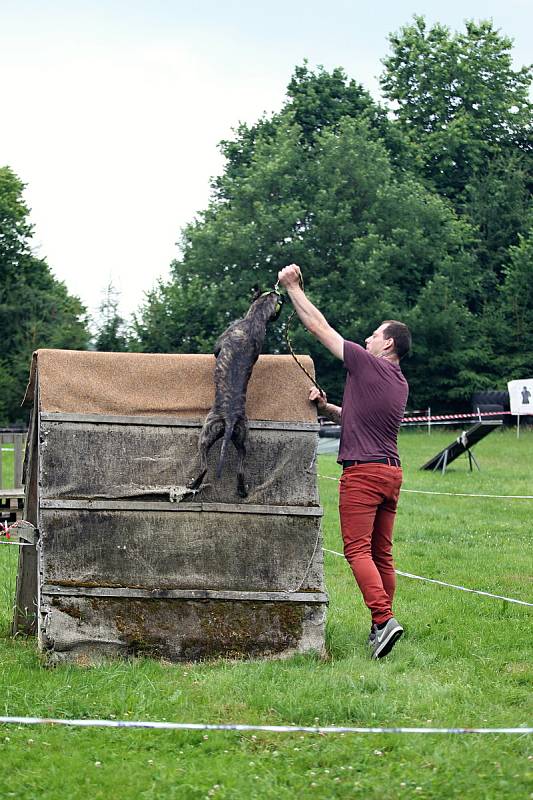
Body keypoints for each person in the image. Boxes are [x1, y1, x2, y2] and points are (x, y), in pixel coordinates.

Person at [277, 263, 411, 659]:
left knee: (356, 551)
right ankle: (380, 626)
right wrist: (326, 406)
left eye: (374, 335)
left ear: (387, 345)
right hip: (390, 472)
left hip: (364, 474)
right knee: (381, 553)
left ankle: (384, 620)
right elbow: (356, 419)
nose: (367, 339)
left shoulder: (368, 364)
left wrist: (293, 289)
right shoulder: (398, 381)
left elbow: (319, 329)